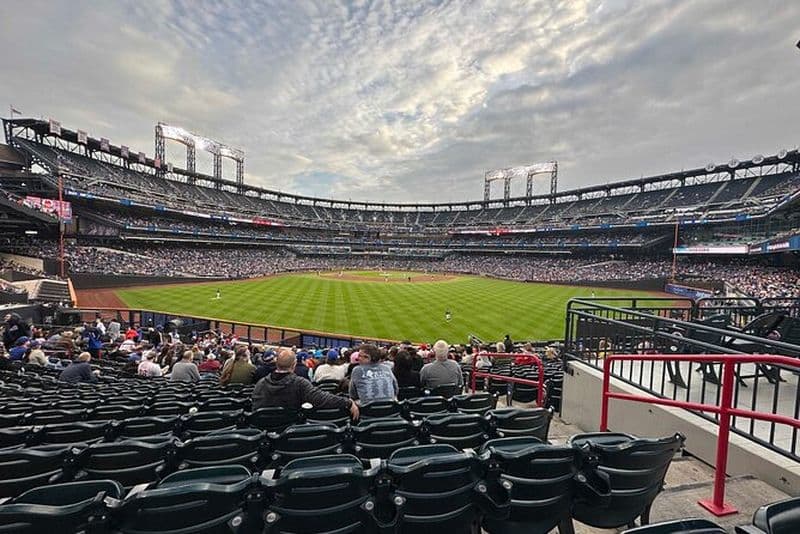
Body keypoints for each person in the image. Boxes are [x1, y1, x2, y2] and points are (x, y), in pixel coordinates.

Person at [252, 350, 359, 419]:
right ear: (294, 365)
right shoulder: (299, 383)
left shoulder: (261, 383)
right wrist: (348, 402)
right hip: (289, 428)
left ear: (276, 364)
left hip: (263, 430)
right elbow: (321, 398)